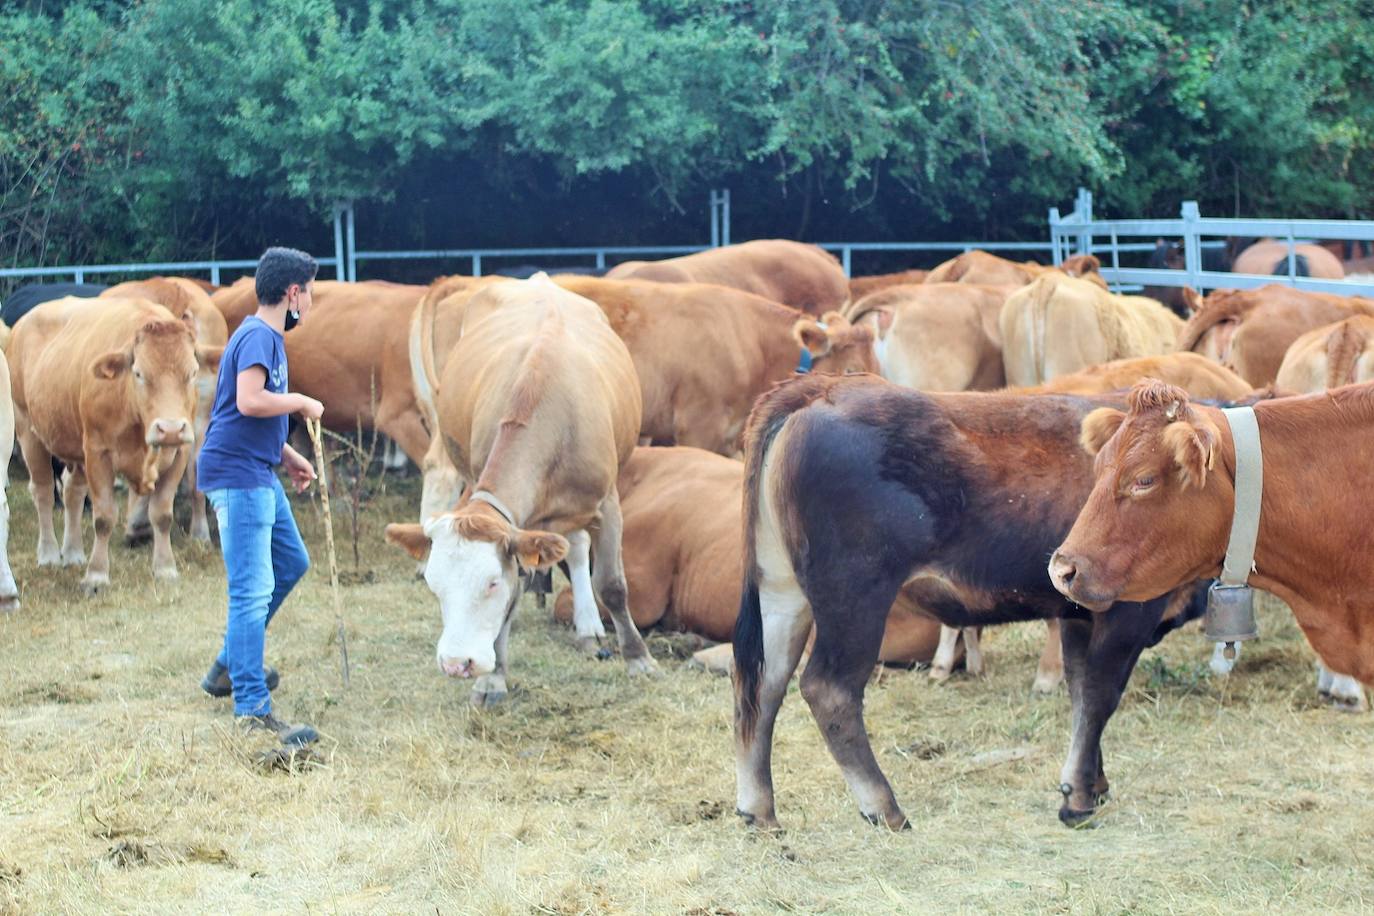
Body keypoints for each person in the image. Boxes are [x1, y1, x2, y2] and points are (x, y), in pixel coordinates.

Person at [197, 246, 325, 747]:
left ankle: (228, 666)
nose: (312, 301)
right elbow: (251, 401)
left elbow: (242, 409)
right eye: (310, 292)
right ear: (293, 293)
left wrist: (287, 455)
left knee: (292, 562)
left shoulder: (266, 338)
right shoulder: (258, 336)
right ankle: (251, 707)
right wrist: (300, 401)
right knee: (250, 592)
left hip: (256, 469)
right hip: (238, 476)